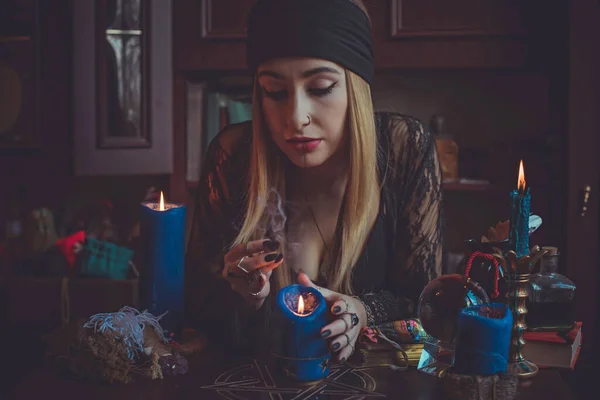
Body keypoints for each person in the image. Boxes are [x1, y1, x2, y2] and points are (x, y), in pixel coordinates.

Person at [186, 0, 444, 363]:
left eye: (321, 88)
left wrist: (362, 310)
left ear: (354, 87)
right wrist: (246, 300)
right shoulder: (233, 156)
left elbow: (427, 306)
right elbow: (197, 317)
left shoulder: (405, 150)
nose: (296, 117)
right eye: (275, 93)